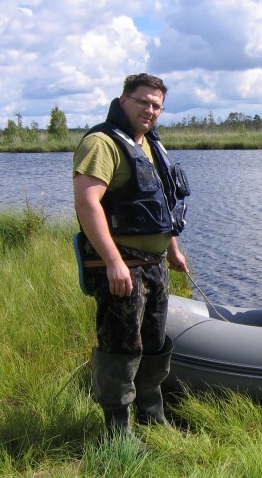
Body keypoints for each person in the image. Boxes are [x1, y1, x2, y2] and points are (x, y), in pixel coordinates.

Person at [73, 73, 190, 439]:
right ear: (123, 100)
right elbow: (87, 203)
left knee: (154, 345)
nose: (150, 110)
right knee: (121, 347)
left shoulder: (152, 144)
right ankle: (117, 433)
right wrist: (112, 261)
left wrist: (172, 249)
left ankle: (152, 418)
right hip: (122, 266)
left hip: (154, 266)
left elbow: (162, 204)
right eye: (143, 102)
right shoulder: (101, 143)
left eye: (157, 106)